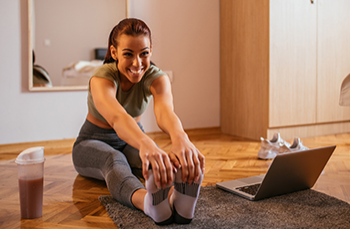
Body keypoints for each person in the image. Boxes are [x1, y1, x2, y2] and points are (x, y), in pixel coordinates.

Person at [72, 18, 205, 225]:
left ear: (151, 50)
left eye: (144, 53)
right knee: (114, 160)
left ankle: (178, 200)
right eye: (128, 54)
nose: (137, 63)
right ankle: (147, 203)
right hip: (92, 141)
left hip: (130, 139)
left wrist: (181, 138)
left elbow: (165, 112)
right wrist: (145, 143)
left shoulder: (157, 78)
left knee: (158, 163)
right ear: (114, 52)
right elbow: (118, 117)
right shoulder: (102, 79)